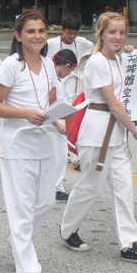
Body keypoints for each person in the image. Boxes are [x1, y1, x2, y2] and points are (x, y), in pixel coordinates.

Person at [60, 12, 137, 265]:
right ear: (101, 33)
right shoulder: (96, 62)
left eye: (122, 32)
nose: (118, 37)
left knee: (124, 191)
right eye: (112, 32)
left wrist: (129, 52)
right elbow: (114, 105)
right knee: (90, 188)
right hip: (97, 134)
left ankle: (130, 245)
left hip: (116, 136)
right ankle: (68, 229)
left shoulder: (117, 59)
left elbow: (130, 76)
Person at [0, 11, 59, 273]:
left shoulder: (49, 63)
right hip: (17, 144)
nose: (38, 36)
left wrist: (59, 118)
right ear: (18, 36)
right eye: (31, 31)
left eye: (42, 31)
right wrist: (25, 114)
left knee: (46, 202)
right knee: (22, 208)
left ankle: (19, 243)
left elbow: (51, 100)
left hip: (44, 142)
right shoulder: (10, 65)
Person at [46, 12, 93, 170]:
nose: (72, 36)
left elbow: (92, 48)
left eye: (75, 33)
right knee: (61, 119)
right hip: (58, 84)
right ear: (62, 29)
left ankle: (73, 151)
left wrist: (79, 62)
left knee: (74, 119)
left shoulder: (82, 43)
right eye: (69, 32)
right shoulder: (51, 43)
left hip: (76, 84)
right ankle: (72, 155)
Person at [51, 49, 78, 201]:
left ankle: (53, 186)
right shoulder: (51, 79)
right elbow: (45, 103)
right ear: (67, 66)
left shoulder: (56, 79)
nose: (69, 75)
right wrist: (57, 124)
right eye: (70, 71)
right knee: (59, 156)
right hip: (53, 124)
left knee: (58, 156)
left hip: (57, 122)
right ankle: (55, 188)